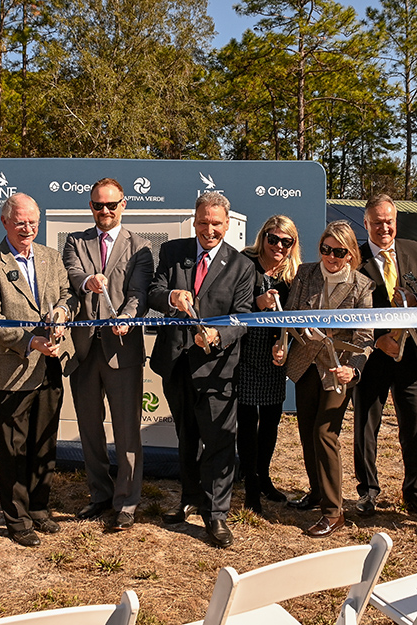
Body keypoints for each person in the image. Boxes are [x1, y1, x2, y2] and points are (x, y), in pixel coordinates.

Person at [148, 191, 254, 548]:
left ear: (227, 224)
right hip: (176, 363)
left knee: (220, 442)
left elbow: (243, 317)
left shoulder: (241, 266)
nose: (209, 229)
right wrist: (171, 298)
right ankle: (189, 498)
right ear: (194, 221)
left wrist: (218, 336)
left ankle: (216, 515)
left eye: (217, 223)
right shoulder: (173, 252)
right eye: (204, 222)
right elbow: (154, 291)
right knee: (186, 437)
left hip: (216, 368)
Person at [0, 192, 77, 547]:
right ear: (5, 222)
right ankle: (16, 519)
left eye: (33, 221)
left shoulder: (50, 256)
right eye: (20, 222)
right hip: (11, 370)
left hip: (50, 364)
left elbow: (66, 296)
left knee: (44, 441)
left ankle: (40, 507)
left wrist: (62, 316)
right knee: (13, 448)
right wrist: (31, 341)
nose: (28, 228)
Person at [61, 178, 154, 531]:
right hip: (84, 349)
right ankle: (99, 494)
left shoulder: (141, 247)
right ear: (90, 206)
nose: (105, 211)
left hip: (122, 348)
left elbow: (139, 292)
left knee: (127, 430)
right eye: (98, 205)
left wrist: (128, 318)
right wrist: (87, 281)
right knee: (89, 428)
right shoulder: (75, 241)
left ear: (124, 205)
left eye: (111, 205)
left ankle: (127, 502)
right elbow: (72, 275)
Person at [274, 220, 373, 538]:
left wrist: (354, 369)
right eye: (325, 249)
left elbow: (366, 336)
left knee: (324, 433)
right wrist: (281, 343)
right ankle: (316, 492)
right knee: (306, 431)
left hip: (336, 369)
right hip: (305, 364)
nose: (330, 256)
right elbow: (288, 315)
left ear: (350, 253)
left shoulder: (362, 286)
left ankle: (333, 512)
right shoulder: (305, 273)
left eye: (338, 251)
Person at [351, 195, 417, 523]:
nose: (384, 227)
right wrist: (378, 340)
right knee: (365, 425)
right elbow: (346, 309)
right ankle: (368, 492)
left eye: (389, 220)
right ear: (366, 224)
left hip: (412, 355)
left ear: (396, 219)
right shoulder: (352, 258)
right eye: (377, 222)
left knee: (415, 424)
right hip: (371, 356)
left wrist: (415, 299)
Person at [236, 215, 301, 512]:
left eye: (285, 241)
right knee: (248, 423)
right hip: (245, 353)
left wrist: (283, 346)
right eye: (272, 239)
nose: (278, 246)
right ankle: (249, 485)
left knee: (272, 421)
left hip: (275, 356)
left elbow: (294, 320)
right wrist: (256, 304)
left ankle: (264, 477)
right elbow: (229, 306)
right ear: (262, 237)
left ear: (292, 245)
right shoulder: (243, 263)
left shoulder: (293, 275)